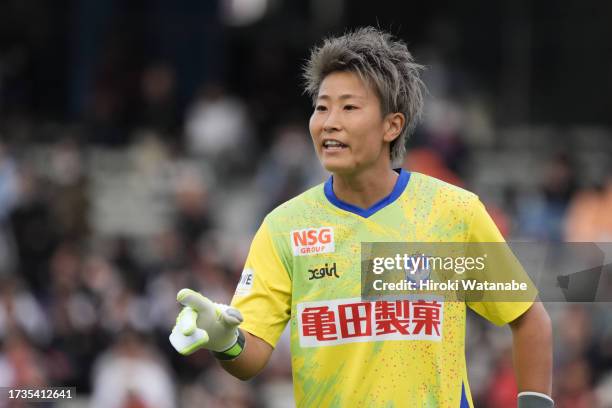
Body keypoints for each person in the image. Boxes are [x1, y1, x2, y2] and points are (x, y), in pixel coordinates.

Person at [169, 27, 553, 407]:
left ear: (392, 125)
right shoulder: (284, 228)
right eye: (321, 107)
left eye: (349, 107)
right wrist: (224, 341)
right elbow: (250, 358)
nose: (329, 122)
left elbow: (528, 320)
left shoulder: (452, 212)